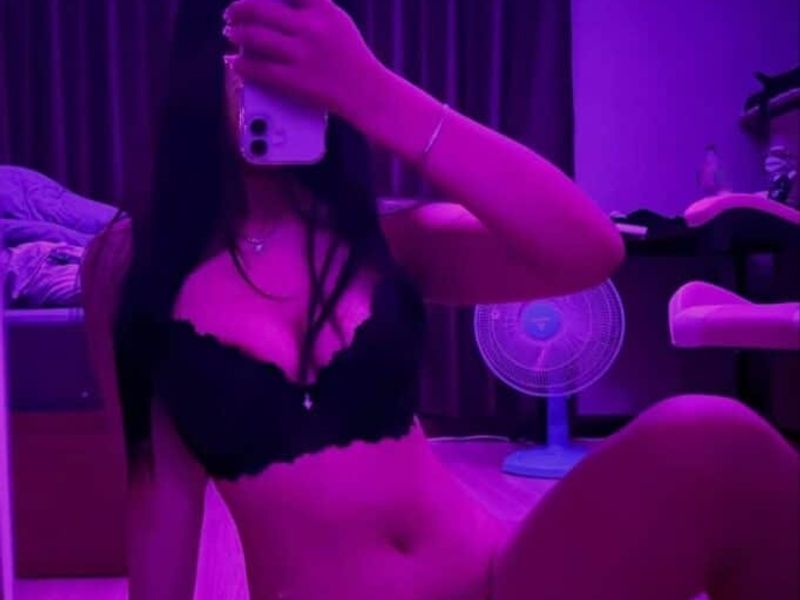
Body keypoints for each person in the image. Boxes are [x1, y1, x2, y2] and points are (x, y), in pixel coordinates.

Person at [81, 1, 799, 599]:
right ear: (205, 58)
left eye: (303, 49)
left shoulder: (381, 236)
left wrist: (375, 91)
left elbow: (591, 248)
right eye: (257, 49)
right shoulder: (134, 268)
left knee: (713, 436)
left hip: (499, 578)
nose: (277, 75)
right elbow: (157, 499)